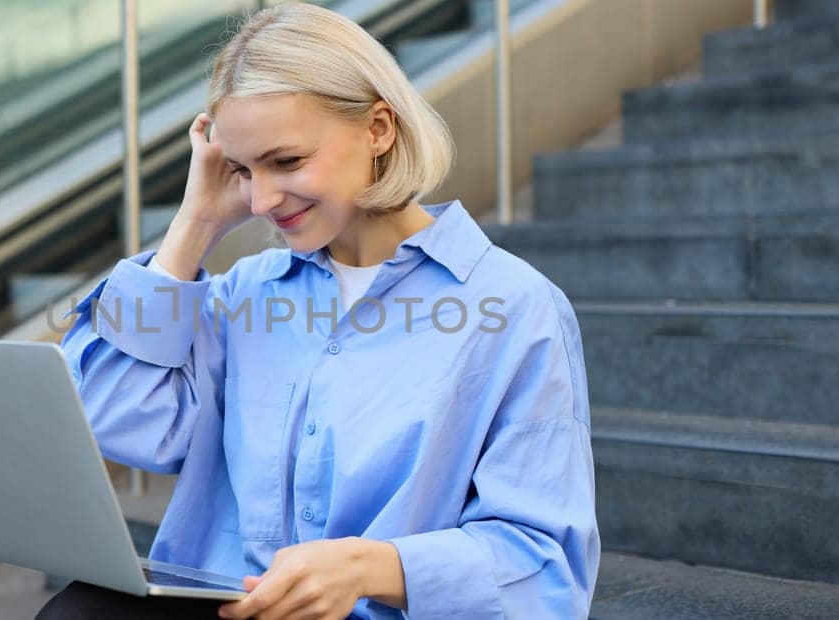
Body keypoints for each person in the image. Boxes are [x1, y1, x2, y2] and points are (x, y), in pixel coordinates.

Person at [37, 3, 598, 618]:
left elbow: (545, 566)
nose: (262, 199)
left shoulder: (513, 308)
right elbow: (120, 419)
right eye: (244, 170)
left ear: (378, 129)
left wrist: (370, 569)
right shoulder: (245, 292)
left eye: (287, 162)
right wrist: (195, 221)